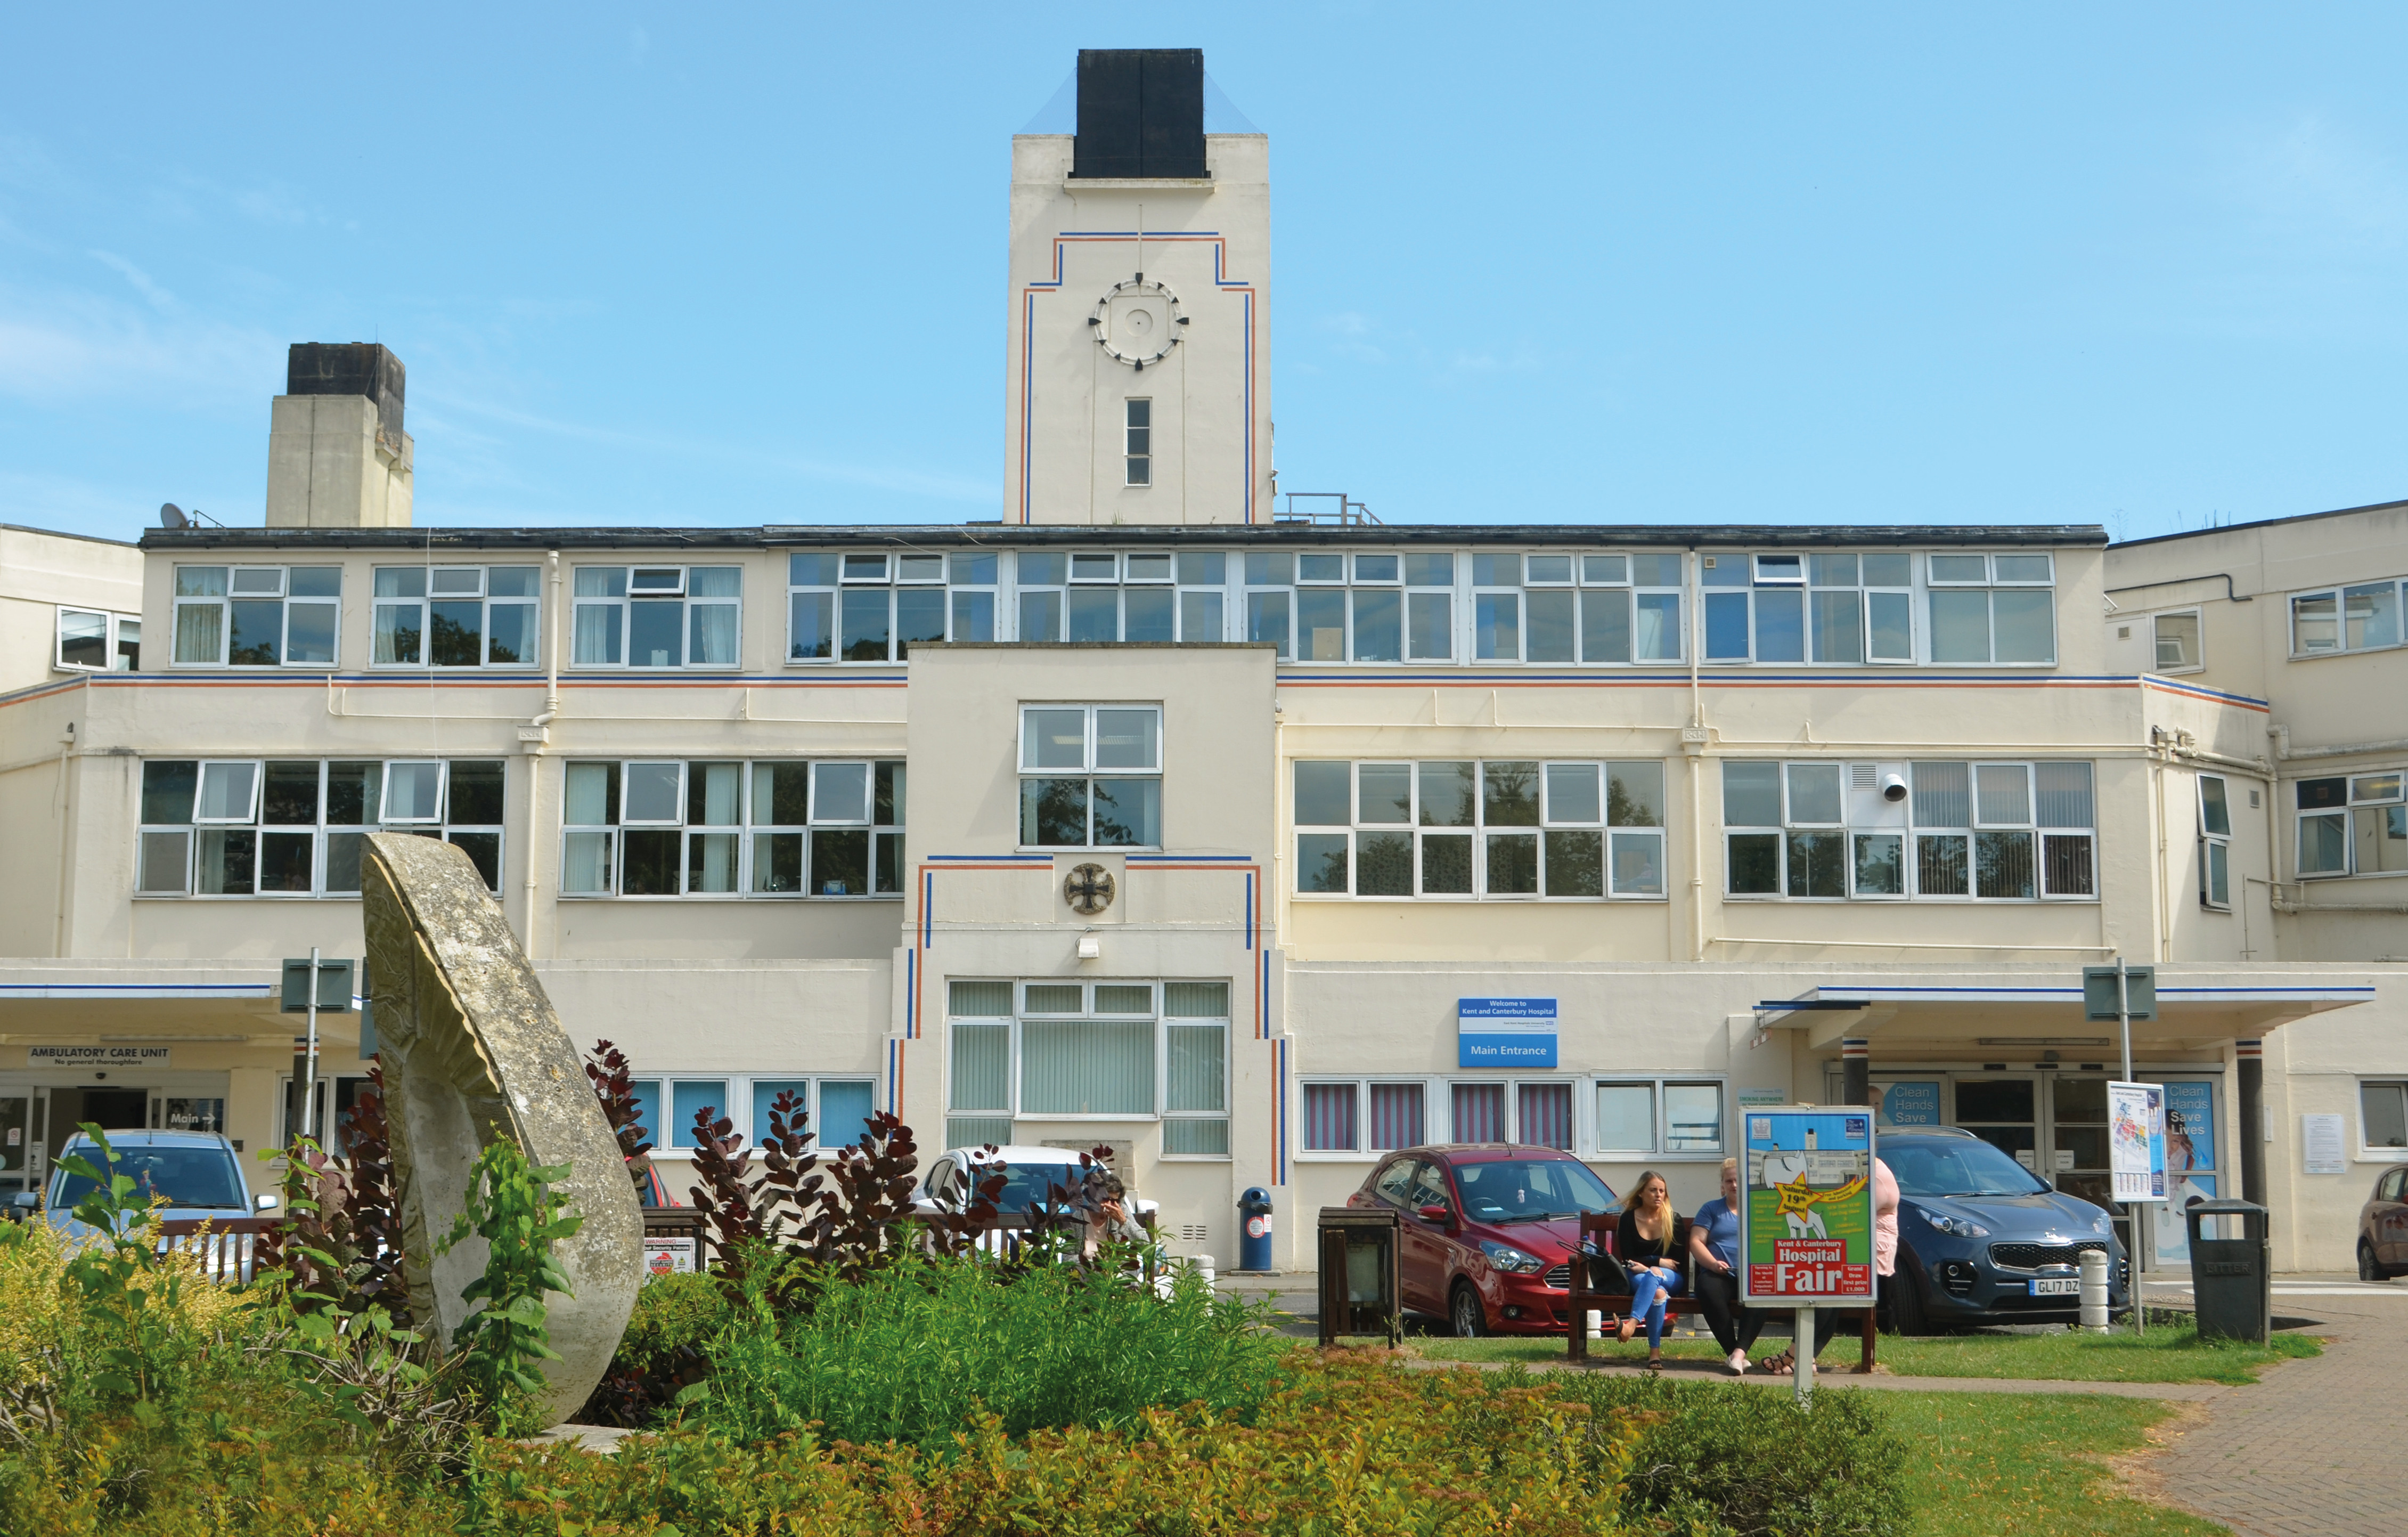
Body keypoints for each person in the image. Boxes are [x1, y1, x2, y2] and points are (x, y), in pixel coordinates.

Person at [1760, 1154, 1898, 1375]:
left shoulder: (1875, 1177)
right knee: (1828, 1293)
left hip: (1868, 1254)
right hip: (1861, 1250)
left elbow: (1853, 1215)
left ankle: (1794, 1354)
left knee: (1823, 1291)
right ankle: (1807, 1358)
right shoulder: (1873, 1169)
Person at [1688, 1157, 1762, 1375]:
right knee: (1707, 1289)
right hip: (1720, 1274)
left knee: (1764, 1290)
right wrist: (1712, 1264)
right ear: (1723, 1184)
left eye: (1738, 1180)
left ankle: (1738, 1354)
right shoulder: (1711, 1209)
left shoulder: (1759, 1208)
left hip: (1752, 1275)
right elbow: (1696, 1241)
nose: (1734, 1185)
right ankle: (1734, 1353)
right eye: (1729, 1181)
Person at [1614, 1169, 1686, 1369]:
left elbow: (1677, 1262)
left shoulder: (1674, 1219)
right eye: (1653, 1190)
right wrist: (1657, 1261)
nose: (1658, 1195)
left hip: (1671, 1277)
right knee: (1658, 1292)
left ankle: (1630, 1326)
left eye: (1662, 1191)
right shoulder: (1628, 1219)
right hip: (1637, 1274)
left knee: (1654, 1274)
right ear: (1641, 1193)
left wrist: (1653, 1265)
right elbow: (1628, 1259)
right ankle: (1655, 1354)